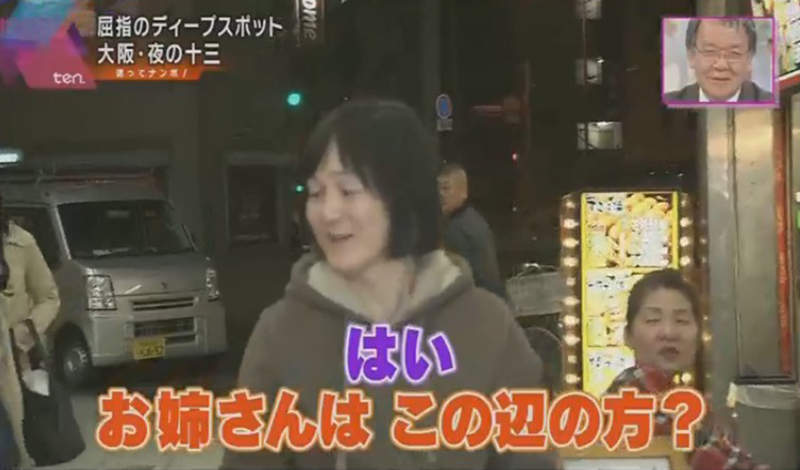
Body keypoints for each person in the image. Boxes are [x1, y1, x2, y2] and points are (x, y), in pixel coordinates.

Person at [221, 100, 560, 470]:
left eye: (348, 191)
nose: (328, 212)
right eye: (316, 193)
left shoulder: (487, 325)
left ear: (404, 198)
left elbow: (532, 460)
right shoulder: (282, 331)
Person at [606, 269, 768, 470]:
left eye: (682, 321)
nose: (669, 332)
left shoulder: (678, 398)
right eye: (653, 320)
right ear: (628, 335)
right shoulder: (639, 397)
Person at [0, 193, 61, 469]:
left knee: (14, 448)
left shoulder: (21, 242)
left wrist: (27, 329)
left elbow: (49, 297)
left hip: (11, 359)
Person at [437, 163, 508, 301]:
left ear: (463, 191)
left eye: (446, 188)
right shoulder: (472, 219)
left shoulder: (458, 228)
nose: (441, 194)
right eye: (438, 189)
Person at [665, 19, 773, 103]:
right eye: (710, 52)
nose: (721, 65)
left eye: (733, 53)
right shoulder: (668, 102)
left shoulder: (767, 100)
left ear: (749, 59)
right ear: (691, 56)